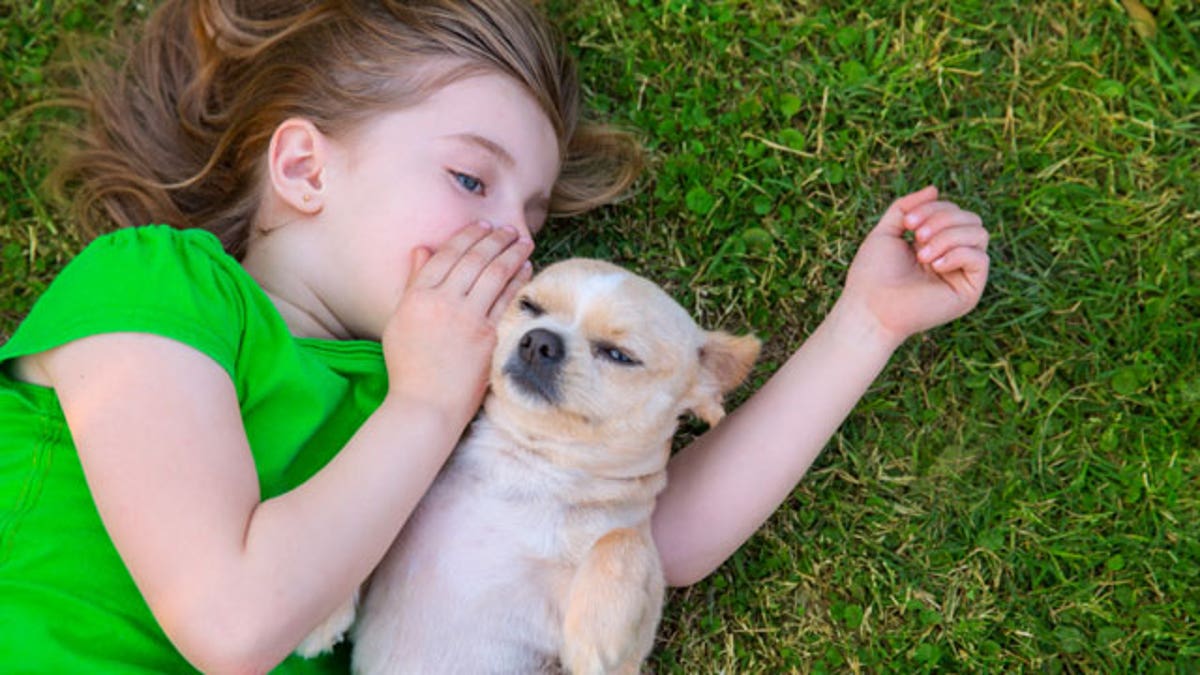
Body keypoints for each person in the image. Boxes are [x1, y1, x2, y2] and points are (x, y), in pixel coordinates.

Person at [0, 0, 989, 672]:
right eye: (471, 180)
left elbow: (655, 531)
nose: (511, 237)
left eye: (532, 217)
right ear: (304, 169)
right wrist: (424, 401)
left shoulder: (453, 384)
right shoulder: (157, 289)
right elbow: (233, 620)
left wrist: (868, 323)